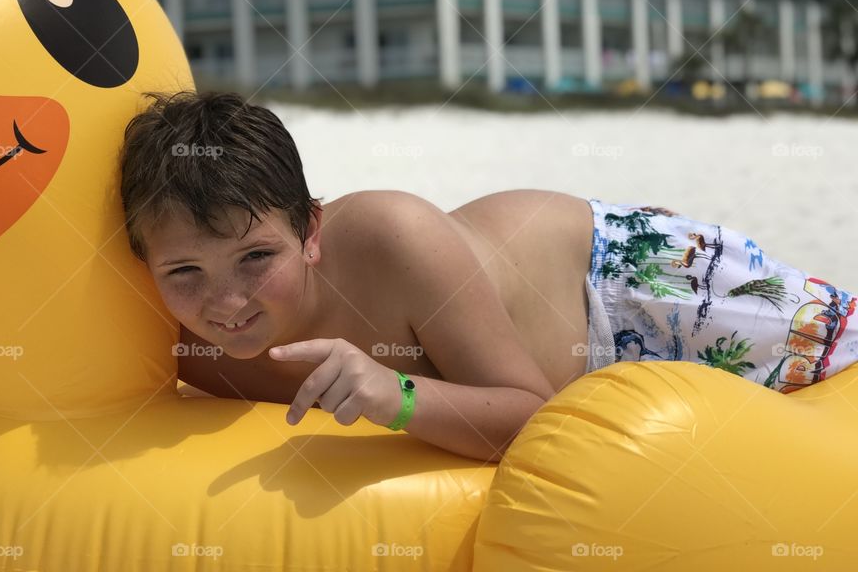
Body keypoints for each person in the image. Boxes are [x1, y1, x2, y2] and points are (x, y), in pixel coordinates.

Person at [114, 90, 857, 462]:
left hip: (621, 283)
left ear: (310, 230)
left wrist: (394, 392)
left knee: (842, 355)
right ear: (144, 262)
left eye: (256, 258)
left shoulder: (386, 235)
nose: (227, 301)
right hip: (566, 344)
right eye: (185, 272)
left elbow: (533, 416)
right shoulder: (178, 348)